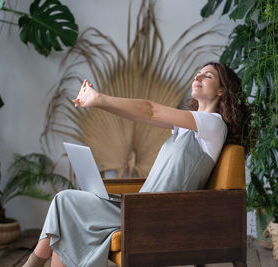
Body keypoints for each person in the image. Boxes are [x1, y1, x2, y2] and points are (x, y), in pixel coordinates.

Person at [23, 62, 252, 267]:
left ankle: (32, 264)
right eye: (197, 73)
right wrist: (97, 103)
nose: (198, 78)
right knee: (66, 213)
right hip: (139, 206)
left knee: (64, 201)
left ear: (222, 91)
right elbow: (140, 116)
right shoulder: (188, 127)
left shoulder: (213, 125)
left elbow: (151, 110)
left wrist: (99, 98)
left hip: (153, 214)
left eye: (208, 76)